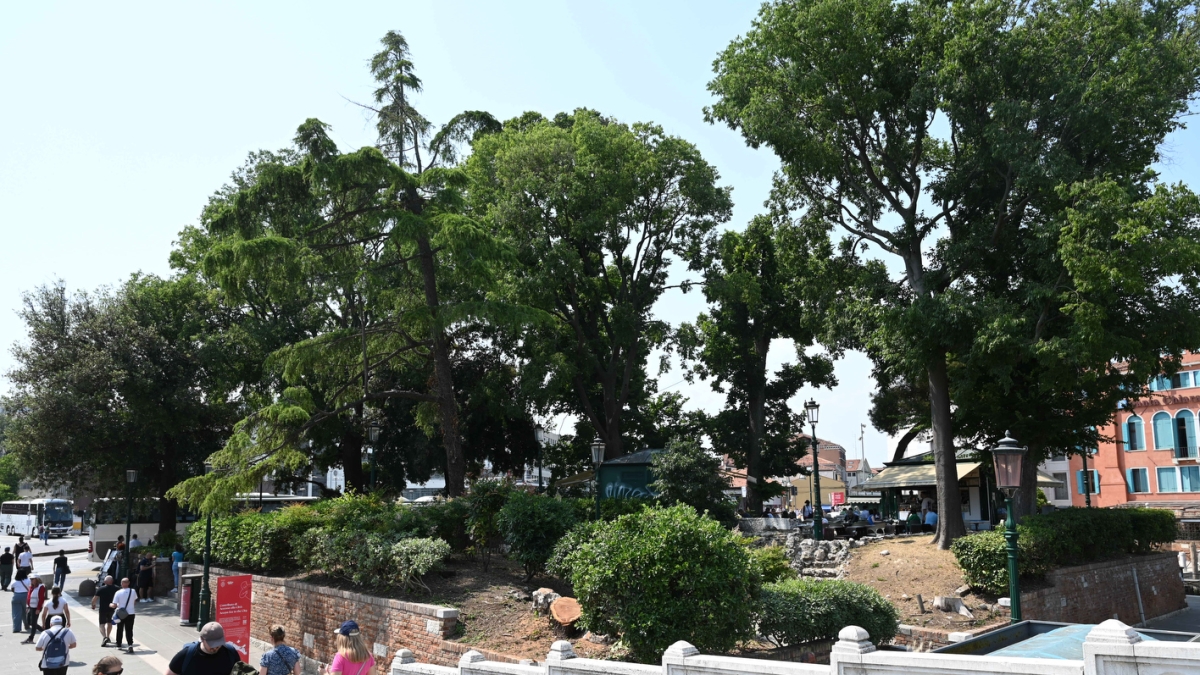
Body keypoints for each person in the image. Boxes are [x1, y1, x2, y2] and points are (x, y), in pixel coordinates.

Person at [166, 621, 241, 675]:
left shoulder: (230, 652)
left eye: (218, 643)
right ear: (202, 639)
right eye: (212, 644)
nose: (215, 647)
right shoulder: (186, 655)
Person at [109, 577, 137, 654]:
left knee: (120, 628)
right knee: (129, 629)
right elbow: (134, 602)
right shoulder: (133, 591)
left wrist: (110, 605)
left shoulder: (118, 593)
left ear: (121, 583)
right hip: (131, 613)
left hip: (120, 614)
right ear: (128, 583)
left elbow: (114, 605)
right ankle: (130, 644)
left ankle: (119, 644)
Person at [91, 575, 118, 646]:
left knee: (102, 624)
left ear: (105, 581)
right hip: (112, 609)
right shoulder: (117, 588)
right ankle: (108, 636)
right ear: (112, 581)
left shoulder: (101, 589)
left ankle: (104, 637)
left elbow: (94, 598)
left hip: (103, 609)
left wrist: (93, 605)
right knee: (109, 622)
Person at [22, 575, 47, 643]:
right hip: (31, 607)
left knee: (33, 622)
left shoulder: (41, 587)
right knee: (29, 621)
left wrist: (38, 608)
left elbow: (41, 598)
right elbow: (29, 597)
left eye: (33, 579)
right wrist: (28, 606)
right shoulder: (31, 587)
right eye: (31, 579)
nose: (31, 580)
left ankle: (31, 638)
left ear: (37, 579)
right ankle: (44, 631)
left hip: (36, 607)